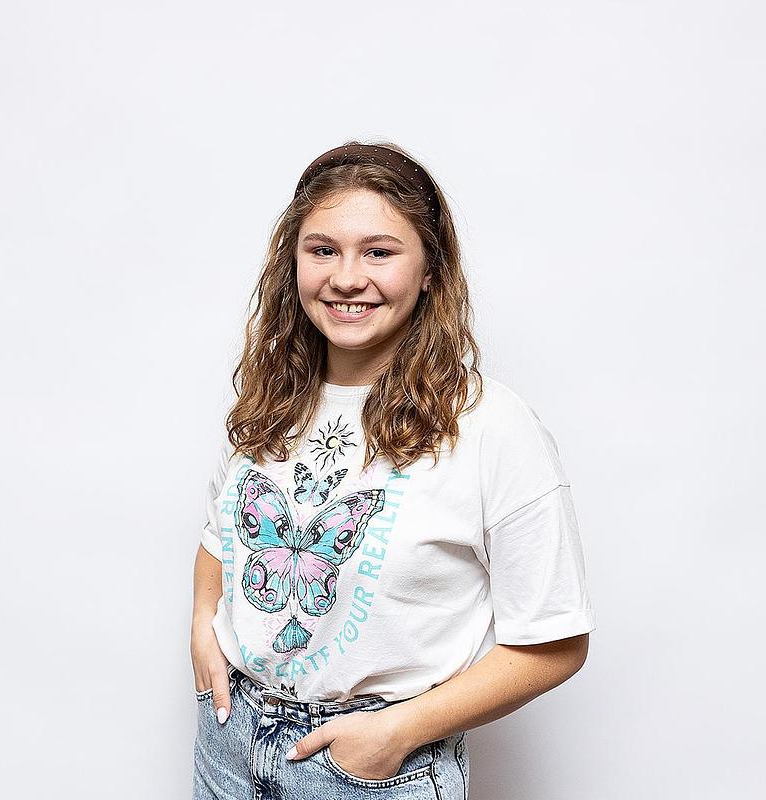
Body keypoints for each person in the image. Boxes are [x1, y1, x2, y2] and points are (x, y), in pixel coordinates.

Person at [190, 140, 596, 800]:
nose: (347, 278)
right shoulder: (272, 398)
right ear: (293, 261)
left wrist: (393, 733)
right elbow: (221, 538)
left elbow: (555, 642)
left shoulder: (491, 426)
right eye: (323, 250)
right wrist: (203, 628)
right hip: (229, 744)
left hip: (369, 769)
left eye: (379, 252)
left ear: (431, 268)